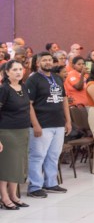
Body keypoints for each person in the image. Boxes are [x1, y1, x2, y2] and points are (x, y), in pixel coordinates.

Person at [25, 52, 72, 198]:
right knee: (37, 156)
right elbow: (29, 104)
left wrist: (68, 120)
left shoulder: (57, 78)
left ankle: (50, 183)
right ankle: (34, 187)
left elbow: (64, 100)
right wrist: (35, 124)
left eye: (50, 60)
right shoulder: (33, 80)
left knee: (53, 155)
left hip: (58, 123)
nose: (47, 62)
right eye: (44, 60)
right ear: (37, 63)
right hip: (42, 124)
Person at [0, 61, 31, 209]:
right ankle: (4, 197)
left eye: (20, 69)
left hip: (22, 130)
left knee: (18, 165)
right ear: (7, 72)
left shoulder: (23, 87)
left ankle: (13, 195)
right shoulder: (4, 89)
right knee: (8, 166)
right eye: (14, 70)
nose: (18, 72)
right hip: (7, 132)